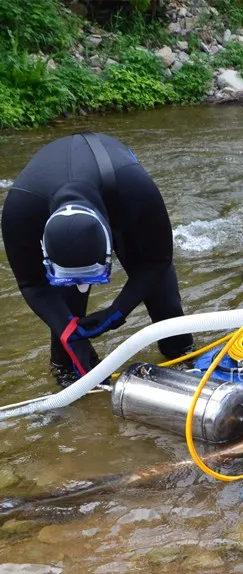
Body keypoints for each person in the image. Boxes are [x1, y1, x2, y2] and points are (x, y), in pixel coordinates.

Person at [1, 131, 193, 387]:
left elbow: (157, 260)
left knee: (164, 302)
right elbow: (32, 284)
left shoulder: (136, 190)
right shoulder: (19, 212)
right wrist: (70, 335)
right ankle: (68, 381)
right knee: (66, 319)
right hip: (45, 199)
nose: (83, 284)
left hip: (116, 192)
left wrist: (117, 312)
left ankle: (185, 362)